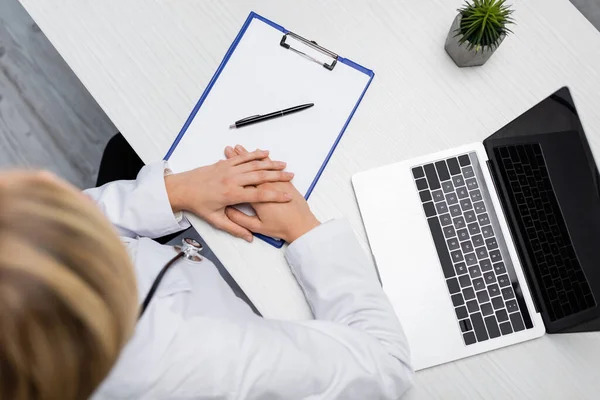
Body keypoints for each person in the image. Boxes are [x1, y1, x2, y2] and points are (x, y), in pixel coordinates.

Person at [0, 143, 413, 400]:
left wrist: (174, 192)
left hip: (176, 274)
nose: (42, 175)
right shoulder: (207, 362)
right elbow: (388, 365)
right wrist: (305, 232)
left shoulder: (38, 286)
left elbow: (87, 217)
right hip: (226, 312)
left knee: (122, 149)